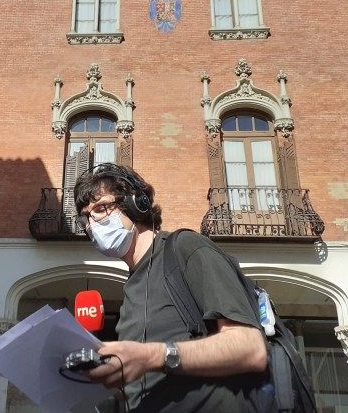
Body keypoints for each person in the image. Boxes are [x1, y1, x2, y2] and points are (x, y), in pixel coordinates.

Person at [74, 163, 267, 412]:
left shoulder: (185, 248)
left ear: (136, 204)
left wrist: (152, 356)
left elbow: (250, 348)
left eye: (101, 208)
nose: (93, 224)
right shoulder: (132, 289)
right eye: (86, 217)